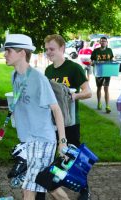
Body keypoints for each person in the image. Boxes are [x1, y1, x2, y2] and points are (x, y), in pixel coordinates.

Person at [3, 34, 69, 200]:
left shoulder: (38, 78)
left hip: (43, 140)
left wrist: (62, 142)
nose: (5, 54)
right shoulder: (15, 76)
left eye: (8, 51)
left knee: (28, 190)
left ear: (22, 53)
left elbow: (56, 110)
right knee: (49, 185)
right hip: (28, 141)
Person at [44, 34, 92, 200]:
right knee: (55, 159)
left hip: (71, 122)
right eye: (47, 49)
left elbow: (88, 92)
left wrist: (73, 96)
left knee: (73, 160)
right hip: (53, 123)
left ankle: (84, 189)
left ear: (62, 49)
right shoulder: (48, 71)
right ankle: (54, 188)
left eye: (52, 49)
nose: (48, 52)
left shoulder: (73, 68)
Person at [90, 36, 114, 113]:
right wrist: (93, 63)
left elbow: (111, 60)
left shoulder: (109, 50)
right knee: (99, 88)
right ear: (100, 42)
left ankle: (107, 106)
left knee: (106, 88)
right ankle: (99, 103)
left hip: (107, 71)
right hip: (99, 72)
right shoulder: (96, 51)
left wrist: (113, 63)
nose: (103, 42)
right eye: (102, 41)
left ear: (107, 42)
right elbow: (91, 61)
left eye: (104, 41)